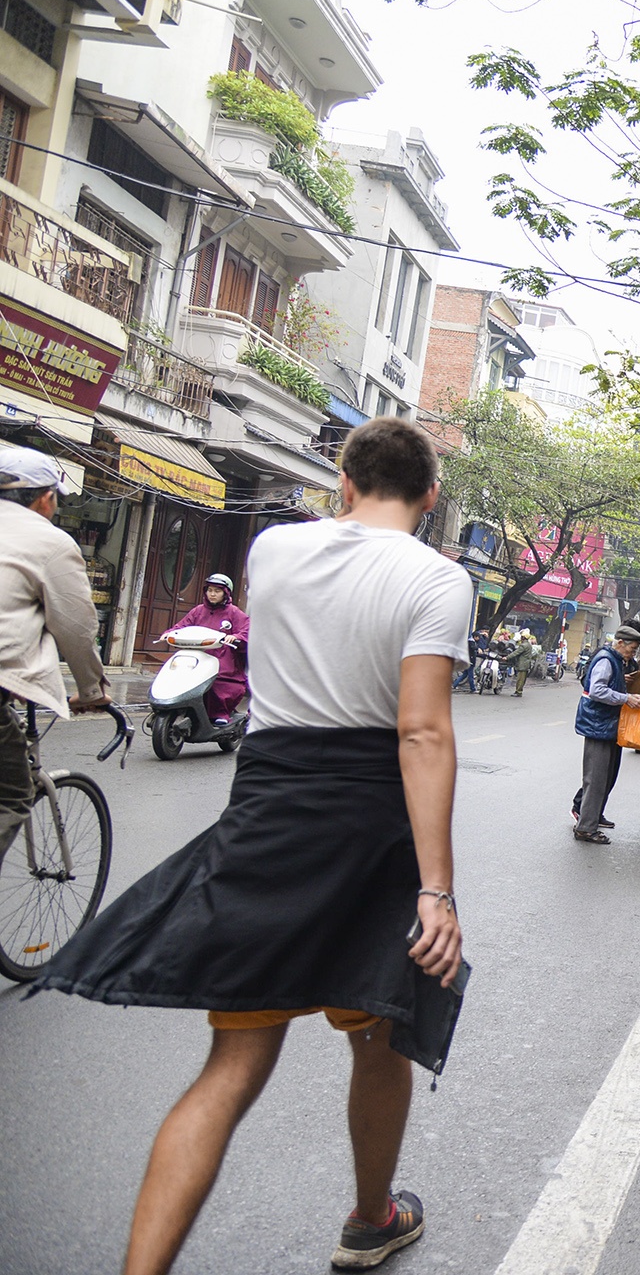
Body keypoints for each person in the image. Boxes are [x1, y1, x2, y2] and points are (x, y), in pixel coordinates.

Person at [35, 417, 471, 1273]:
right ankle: (371, 1218)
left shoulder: (273, 550)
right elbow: (421, 732)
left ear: (344, 482)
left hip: (268, 807)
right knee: (377, 1034)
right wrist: (437, 890)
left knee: (231, 1064)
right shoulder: (437, 579)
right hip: (368, 822)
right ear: (430, 496)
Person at [1, 448, 112, 856]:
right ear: (46, 498)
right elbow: (77, 628)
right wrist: (92, 689)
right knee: (13, 792)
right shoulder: (51, 542)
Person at [572, 623, 640, 843]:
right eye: (632, 649)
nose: (633, 653)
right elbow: (597, 690)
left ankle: (592, 819)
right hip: (598, 726)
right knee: (595, 780)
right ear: (620, 643)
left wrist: (624, 685)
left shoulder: (618, 660)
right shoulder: (606, 659)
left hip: (609, 726)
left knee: (606, 777)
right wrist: (626, 698)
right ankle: (585, 828)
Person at [163, 572, 249, 724]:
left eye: (217, 591)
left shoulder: (234, 612)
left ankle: (220, 714)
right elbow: (182, 625)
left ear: (225, 593)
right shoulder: (198, 611)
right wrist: (169, 633)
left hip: (222, 659)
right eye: (210, 590)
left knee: (219, 683)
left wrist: (236, 637)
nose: (212, 594)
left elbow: (246, 630)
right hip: (197, 657)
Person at [453, 628, 486, 693]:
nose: (479, 639)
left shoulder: (471, 642)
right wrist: (478, 649)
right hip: (470, 660)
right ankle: (473, 689)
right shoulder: (471, 642)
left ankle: (455, 684)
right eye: (478, 637)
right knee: (470, 675)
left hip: (468, 659)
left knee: (465, 674)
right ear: (475, 637)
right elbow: (473, 648)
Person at [510, 630, 539, 697]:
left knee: (520, 679)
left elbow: (516, 653)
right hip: (526, 664)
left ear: (523, 637)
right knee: (522, 679)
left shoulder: (523, 645)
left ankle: (518, 691)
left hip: (522, 664)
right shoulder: (528, 644)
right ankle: (518, 691)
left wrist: (507, 657)